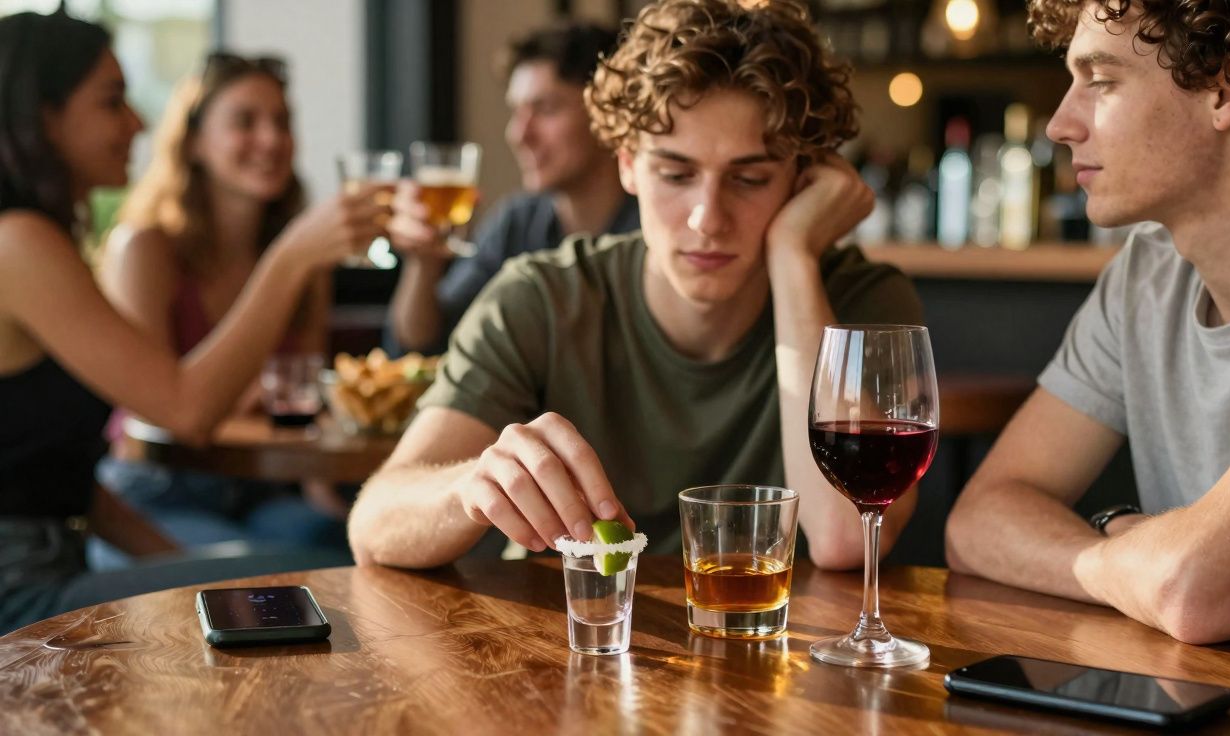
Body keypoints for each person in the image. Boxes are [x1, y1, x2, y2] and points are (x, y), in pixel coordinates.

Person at [349, 0, 923, 570]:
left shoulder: (864, 305)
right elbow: (374, 524)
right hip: (562, 645)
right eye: (675, 174)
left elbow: (844, 539)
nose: (707, 218)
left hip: (780, 650)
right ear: (627, 164)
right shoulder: (542, 297)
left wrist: (793, 257)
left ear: (803, 180)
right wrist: (469, 488)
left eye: (749, 179)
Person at [944, 0, 1230, 651]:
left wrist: (1152, 559)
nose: (1061, 123)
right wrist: (1127, 561)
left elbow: (1198, 590)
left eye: (1101, 80)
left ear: (1226, 90)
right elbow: (978, 520)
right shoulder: (1148, 272)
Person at [0, 12, 385, 633]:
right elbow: (184, 409)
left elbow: (55, 474)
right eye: (111, 102)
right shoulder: (18, 244)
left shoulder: (40, 241)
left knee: (319, 567)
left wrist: (189, 570)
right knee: (332, 579)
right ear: (44, 116)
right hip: (21, 592)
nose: (138, 122)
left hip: (60, 558)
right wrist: (292, 256)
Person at [91, 52, 348, 568]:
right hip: (155, 491)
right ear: (193, 141)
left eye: (282, 121)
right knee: (280, 571)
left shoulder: (303, 262)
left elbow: (305, 396)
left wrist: (330, 503)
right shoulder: (145, 250)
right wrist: (236, 394)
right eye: (245, 121)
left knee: (354, 552)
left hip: (261, 487)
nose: (272, 139)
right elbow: (155, 409)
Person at [387, 22, 638, 356]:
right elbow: (419, 348)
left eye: (546, 109)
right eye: (517, 111)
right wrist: (424, 261)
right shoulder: (518, 223)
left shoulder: (654, 228)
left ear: (609, 114)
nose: (519, 134)